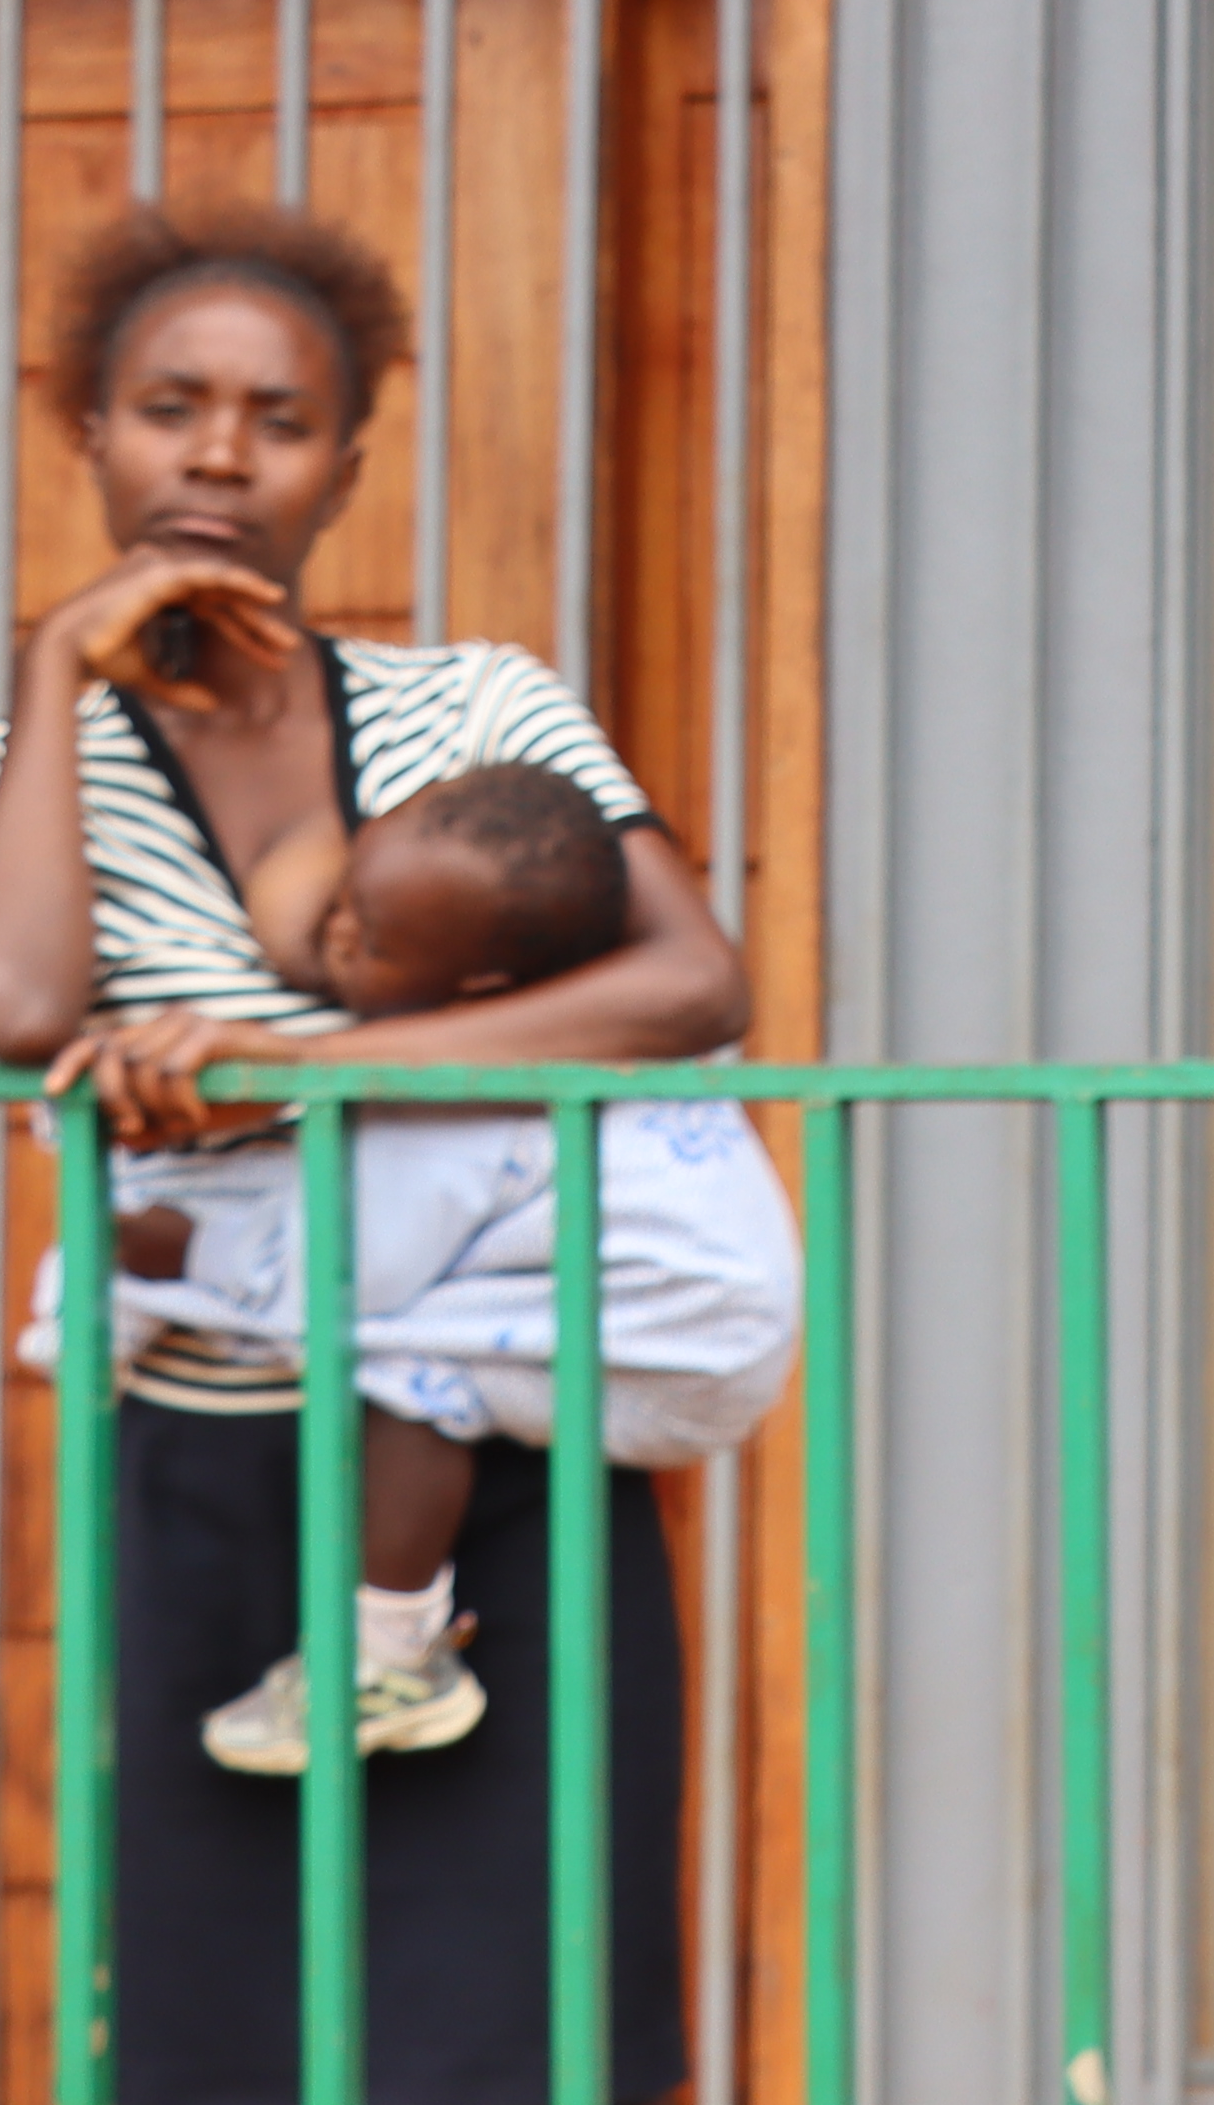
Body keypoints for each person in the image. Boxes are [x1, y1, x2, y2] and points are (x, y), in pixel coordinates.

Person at [0, 205, 760, 2105]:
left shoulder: (475, 703)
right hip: (206, 1460)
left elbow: (683, 983)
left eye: (277, 418)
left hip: (494, 1456)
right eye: (174, 407)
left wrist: (305, 1083)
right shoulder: (26, 752)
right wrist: (61, 677)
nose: (220, 456)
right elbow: (23, 1013)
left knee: (586, 2092)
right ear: (90, 428)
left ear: (348, 451)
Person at [43, 759, 808, 1776]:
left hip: (670, 1332)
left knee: (406, 1368)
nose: (338, 935)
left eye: (372, 935)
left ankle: (390, 1659)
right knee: (413, 1357)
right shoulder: (559, 1024)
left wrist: (186, 1251)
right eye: (348, 899)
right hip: (695, 1305)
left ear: (480, 984)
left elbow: (357, 1274)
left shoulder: (457, 1105)